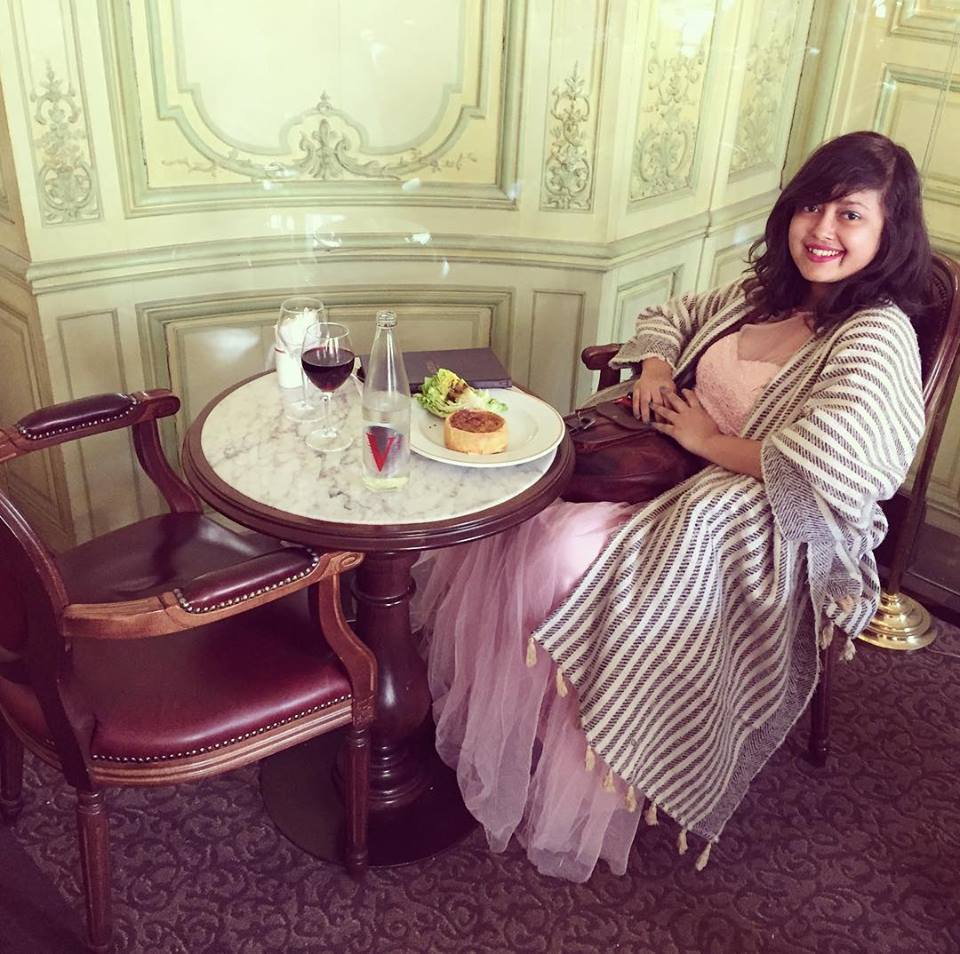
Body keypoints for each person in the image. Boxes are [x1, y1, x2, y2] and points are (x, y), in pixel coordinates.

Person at [412, 131, 932, 881]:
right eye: (812, 207)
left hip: (754, 512)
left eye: (851, 214)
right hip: (663, 466)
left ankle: (582, 750)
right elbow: (670, 315)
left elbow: (835, 463)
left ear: (889, 231)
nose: (823, 230)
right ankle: (519, 719)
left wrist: (710, 440)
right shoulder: (765, 293)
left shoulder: (874, 334)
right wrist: (656, 370)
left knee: (561, 552)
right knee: (520, 507)